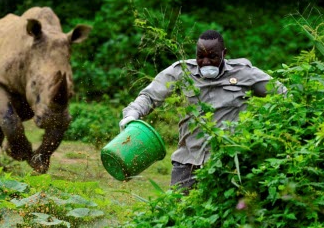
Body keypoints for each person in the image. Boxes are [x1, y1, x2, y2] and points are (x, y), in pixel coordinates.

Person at [119, 30, 286, 193]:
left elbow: (282, 94)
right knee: (177, 213)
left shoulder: (244, 72)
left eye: (212, 57)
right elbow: (150, 96)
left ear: (224, 54)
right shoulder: (182, 72)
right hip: (188, 161)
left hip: (229, 163)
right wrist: (132, 115)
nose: (205, 62)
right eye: (200, 56)